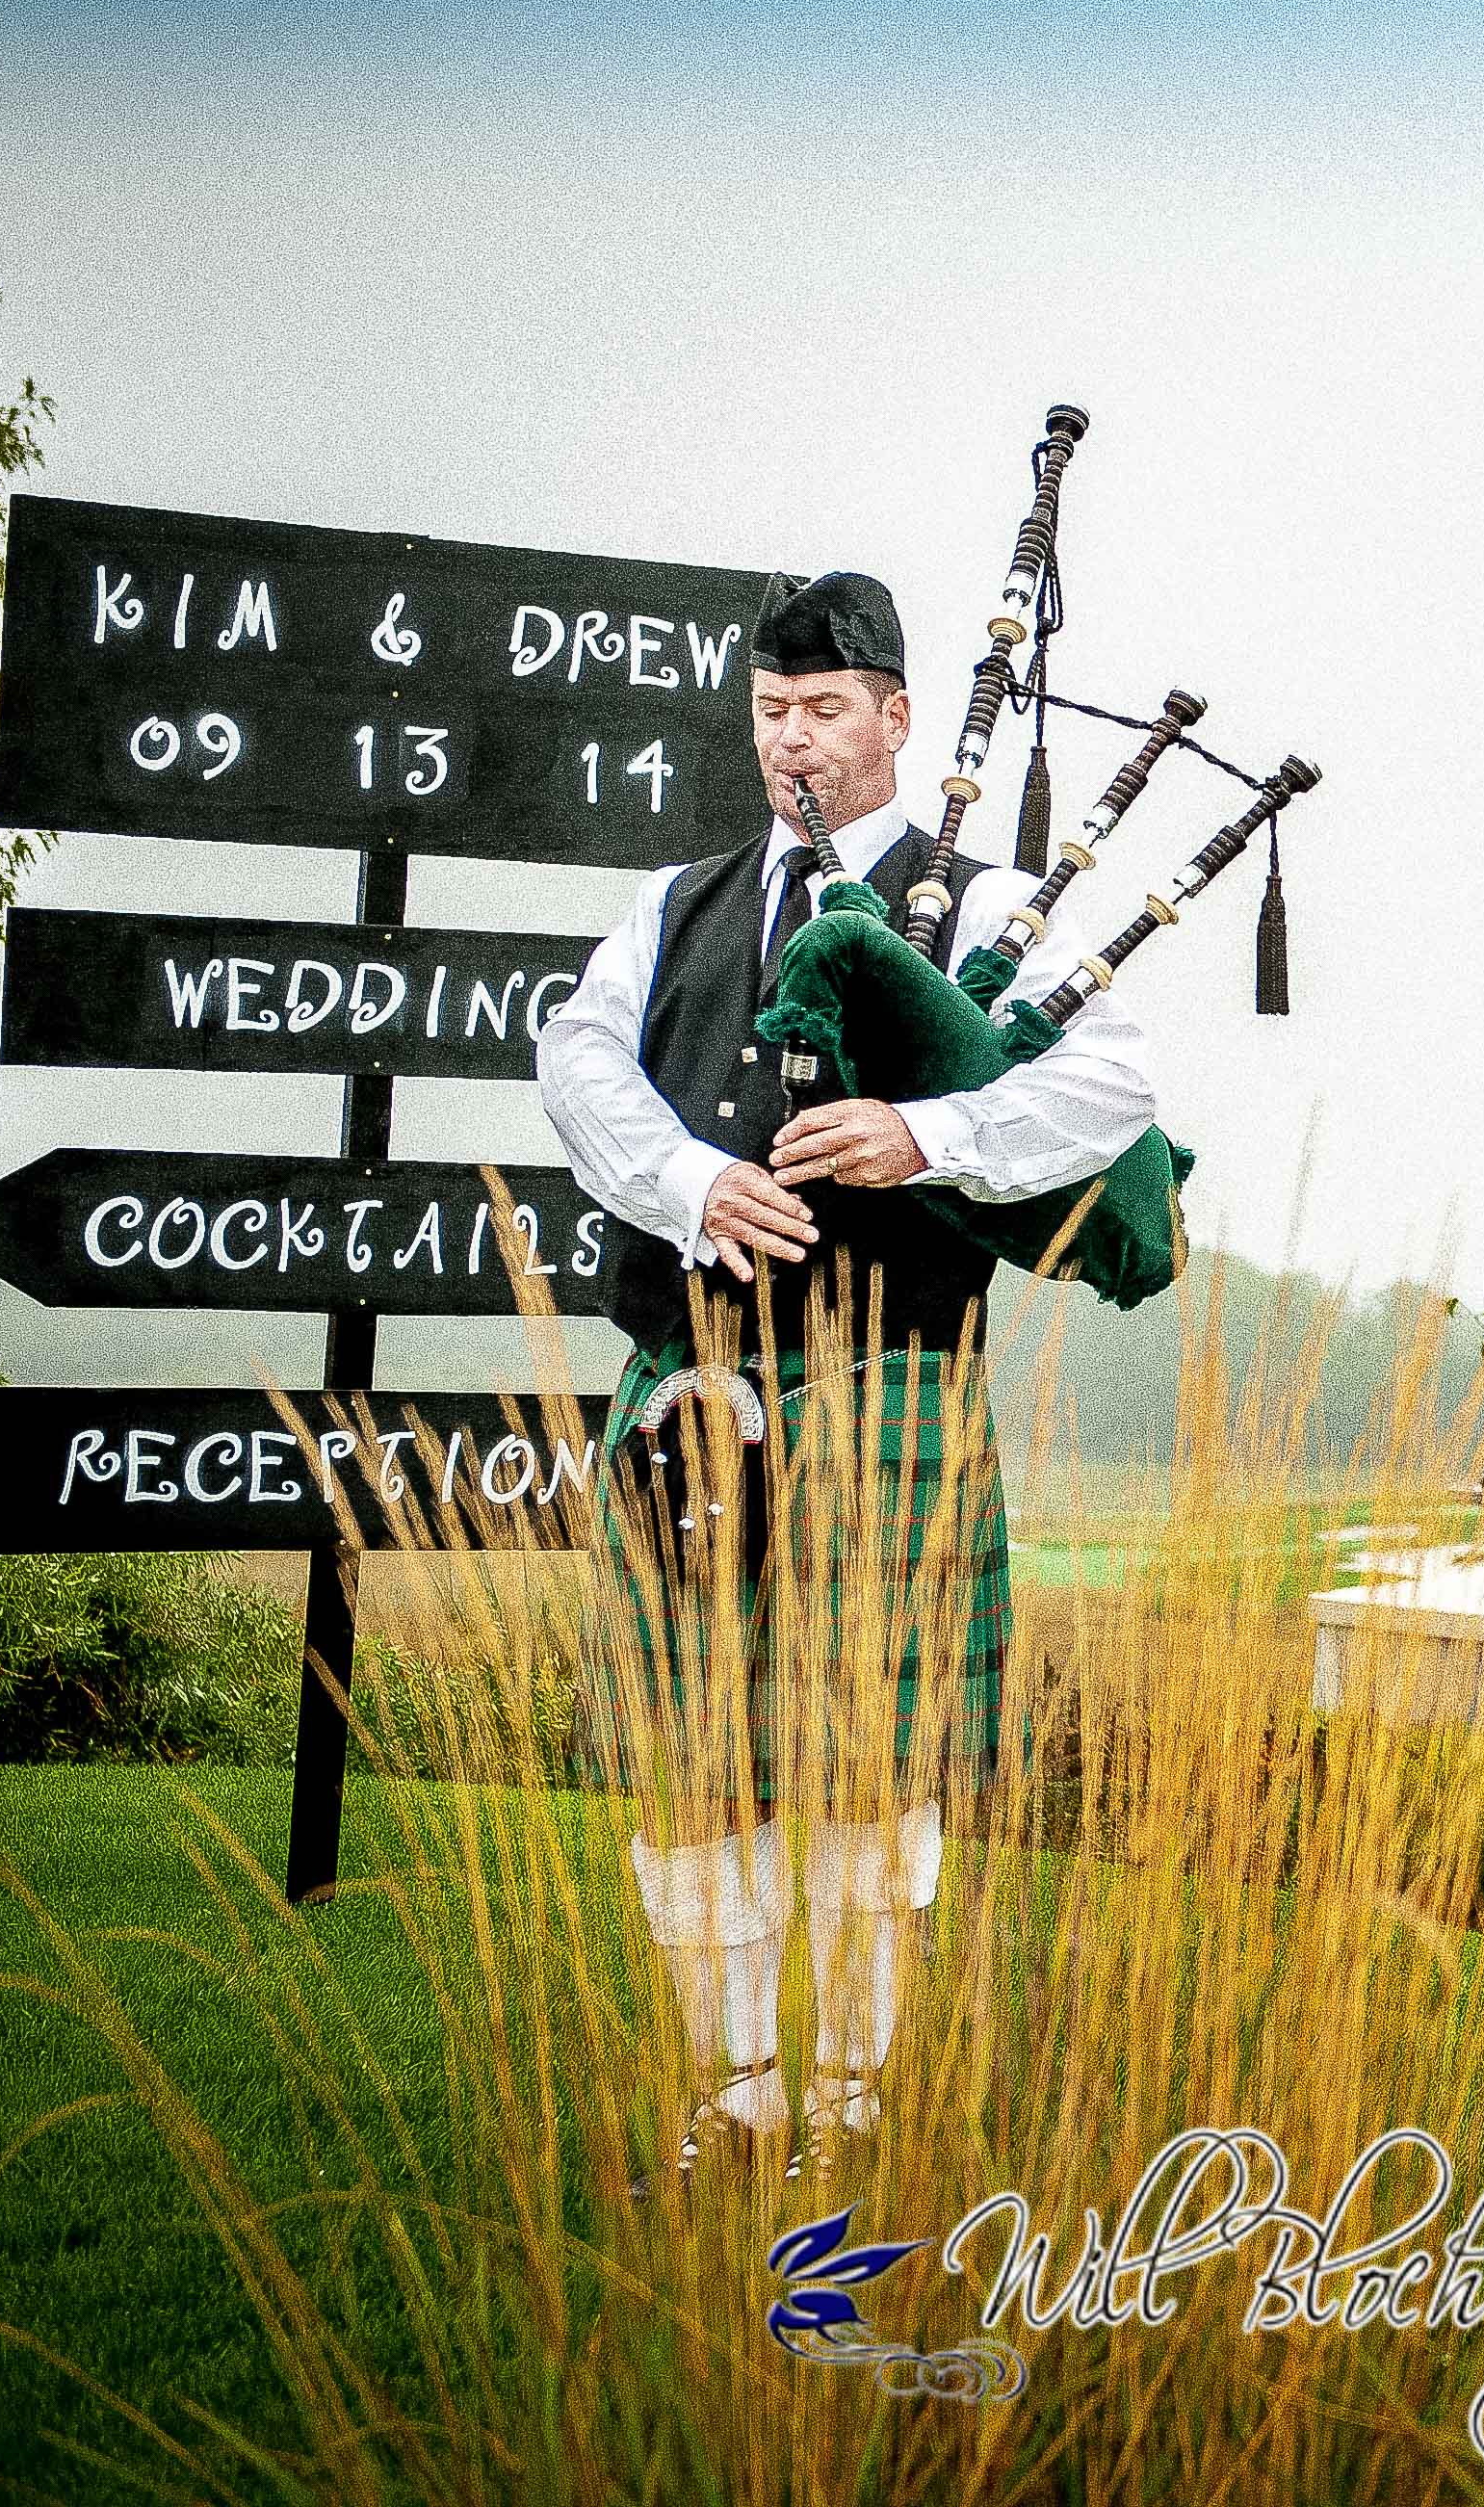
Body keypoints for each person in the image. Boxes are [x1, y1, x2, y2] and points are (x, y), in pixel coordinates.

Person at [534, 567, 1155, 2184]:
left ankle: (856, 2096)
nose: (792, 738)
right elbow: (577, 1060)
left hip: (887, 1385)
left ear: (895, 718)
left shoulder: (995, 900)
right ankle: (734, 2092)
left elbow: (1112, 1094)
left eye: (824, 709)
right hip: (690, 1391)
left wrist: (921, 1135)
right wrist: (684, 1183)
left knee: (871, 1762)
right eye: (769, 711)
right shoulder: (678, 906)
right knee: (696, 1757)